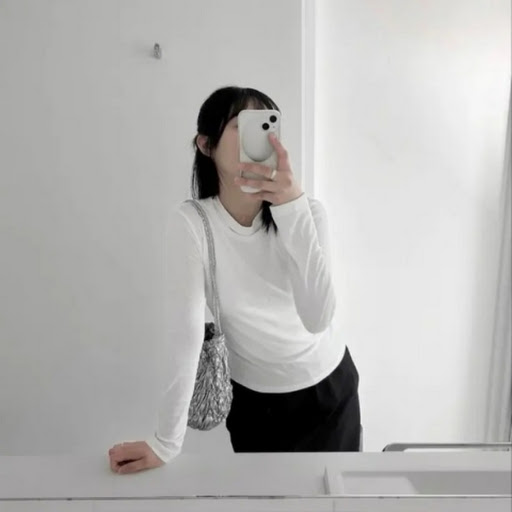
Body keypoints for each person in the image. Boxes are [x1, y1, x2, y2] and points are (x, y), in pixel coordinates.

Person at [108, 86, 361, 474]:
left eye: (264, 125)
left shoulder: (308, 212)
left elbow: (317, 318)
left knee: (330, 499)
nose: (256, 139)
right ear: (206, 145)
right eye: (240, 125)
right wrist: (167, 442)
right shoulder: (192, 223)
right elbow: (186, 333)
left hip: (328, 392)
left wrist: (292, 207)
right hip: (253, 403)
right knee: (262, 499)